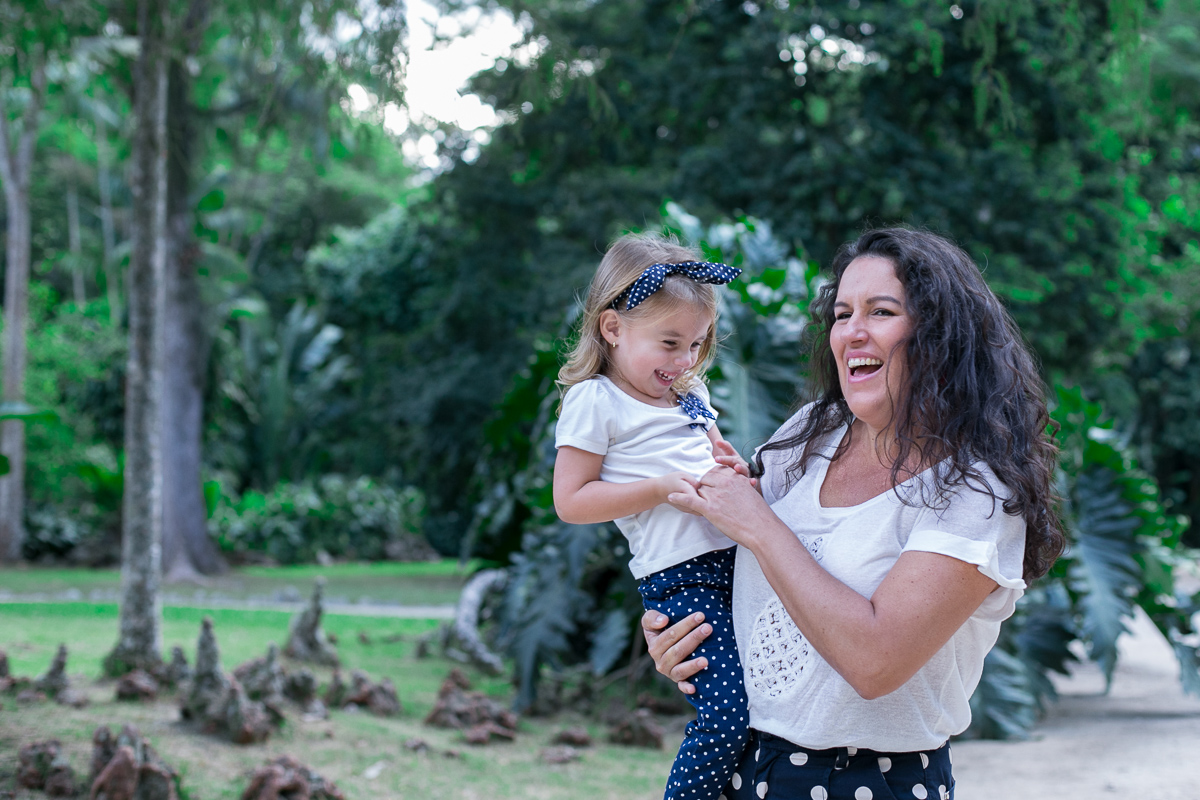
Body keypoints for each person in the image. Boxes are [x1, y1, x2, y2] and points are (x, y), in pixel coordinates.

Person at [642, 227, 1064, 800]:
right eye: (841, 314)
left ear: (940, 333)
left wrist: (759, 524)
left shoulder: (976, 492)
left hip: (869, 783)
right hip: (741, 768)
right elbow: (768, 603)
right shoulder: (808, 435)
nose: (852, 333)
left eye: (881, 311)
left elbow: (875, 662)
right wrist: (685, 640)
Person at [553, 232, 753, 800]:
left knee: (772, 706)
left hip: (741, 561)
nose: (686, 360)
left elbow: (716, 455)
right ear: (613, 328)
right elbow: (571, 501)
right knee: (725, 715)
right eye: (670, 342)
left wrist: (735, 468)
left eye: (696, 343)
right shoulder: (596, 400)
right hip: (681, 576)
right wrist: (661, 489)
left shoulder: (690, 393)